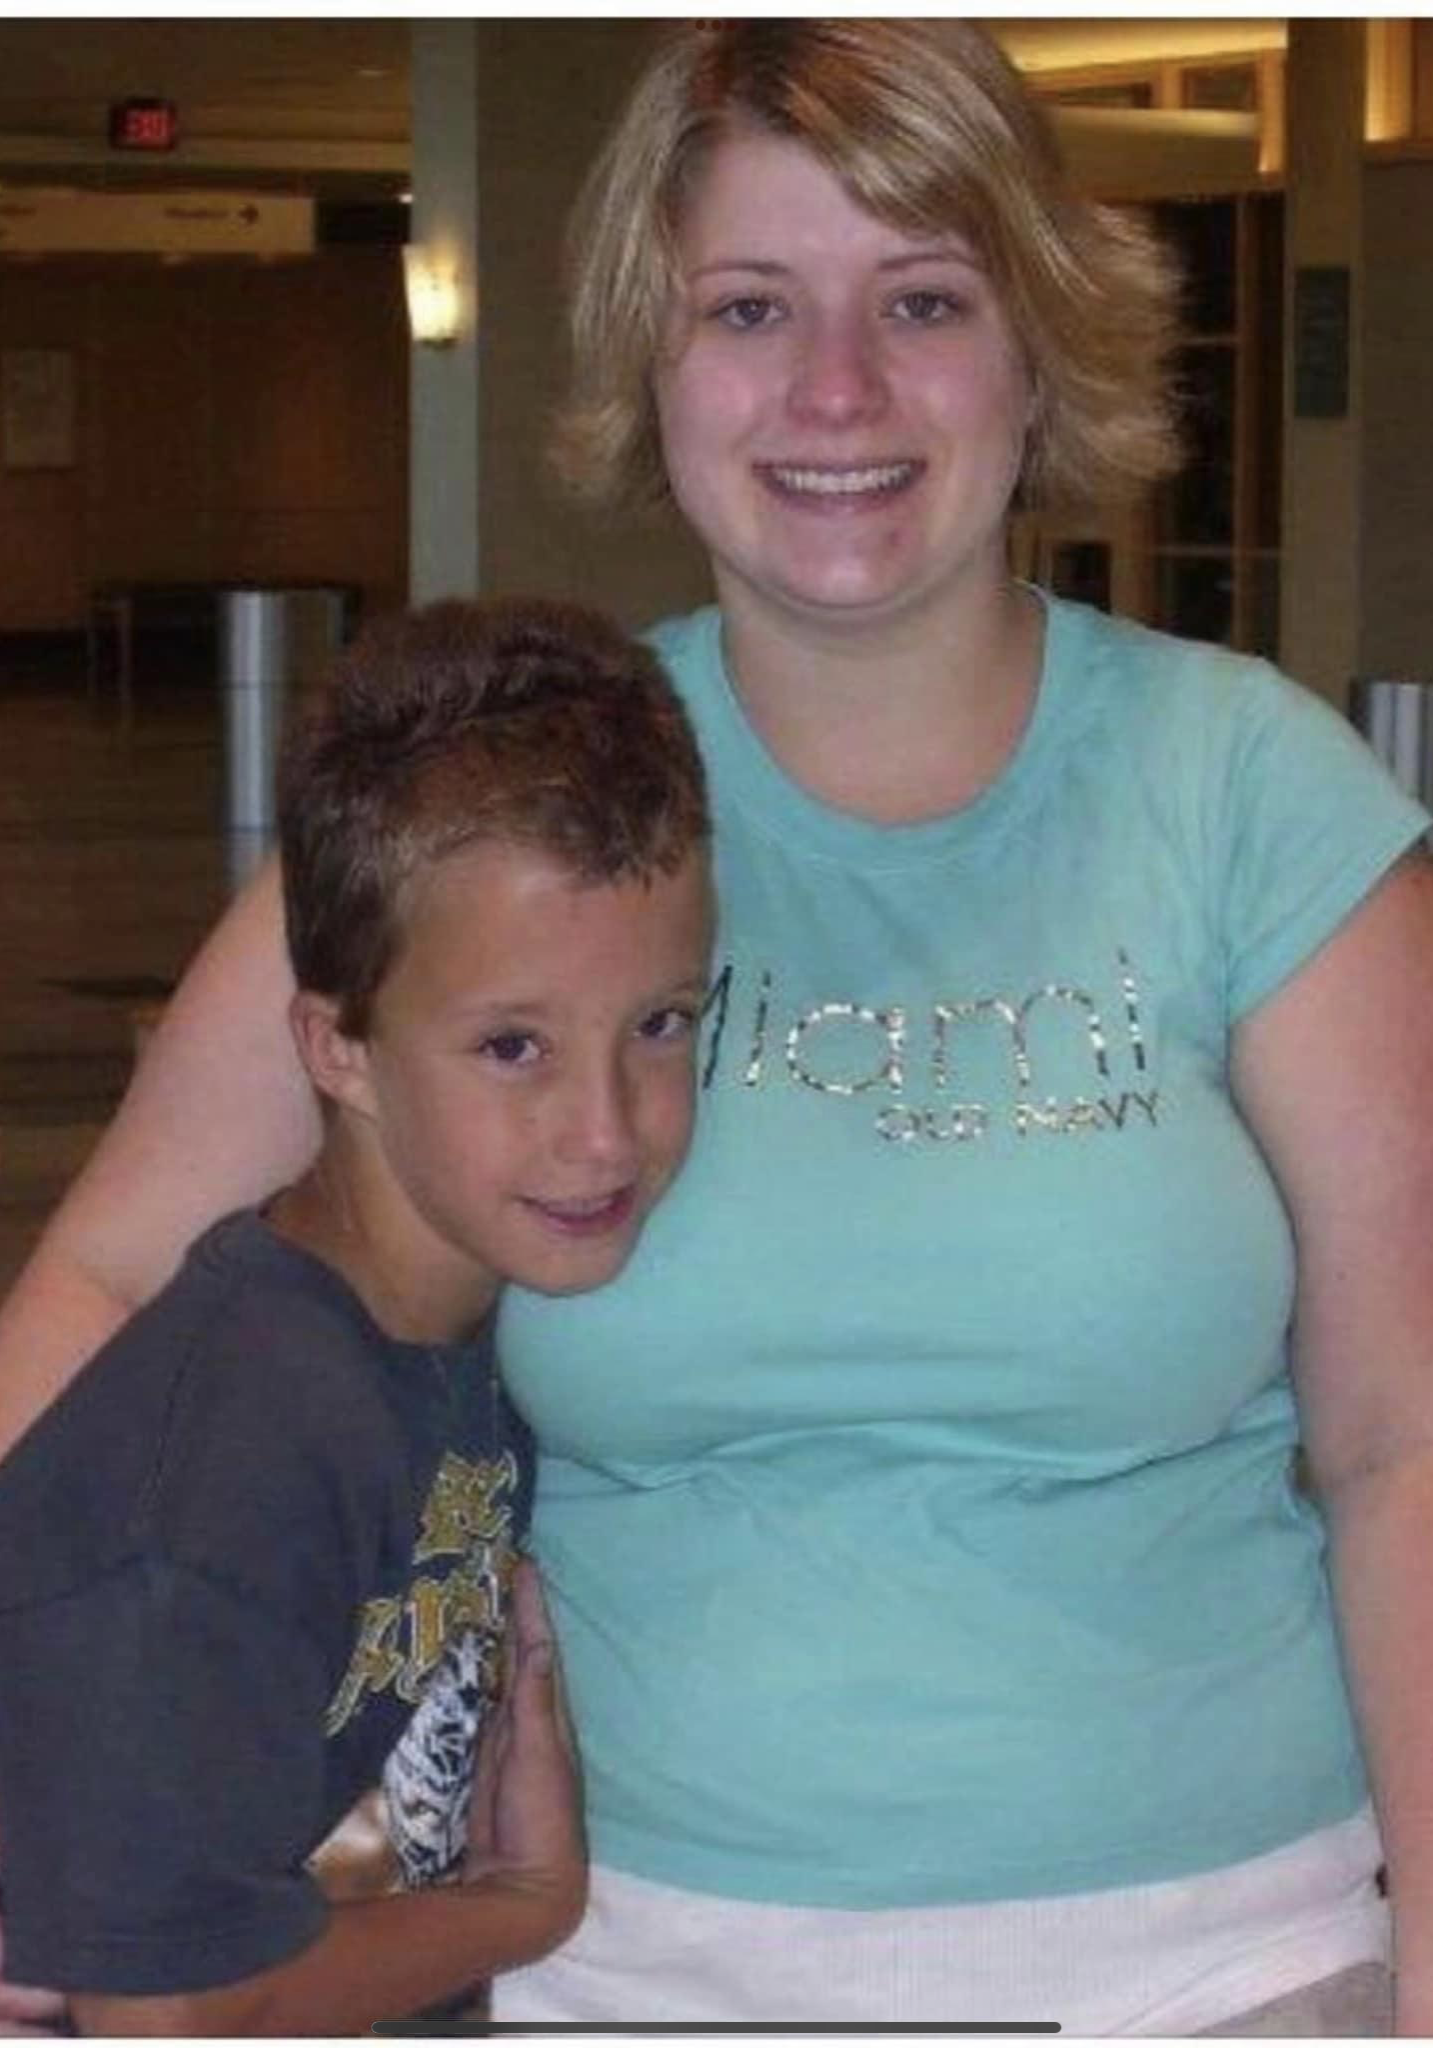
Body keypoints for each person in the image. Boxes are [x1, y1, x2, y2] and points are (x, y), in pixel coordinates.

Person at [2, 17, 1432, 2037]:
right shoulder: (496, 810)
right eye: (749, 308)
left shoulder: (1249, 798)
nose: (832, 390)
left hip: (1212, 1956)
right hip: (626, 1956)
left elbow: (1402, 1444)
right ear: (649, 362)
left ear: (1035, 343)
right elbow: (111, 1271)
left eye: (920, 301)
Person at [0, 597, 713, 2035]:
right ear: (337, 1046)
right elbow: (170, 2019)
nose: (605, 1135)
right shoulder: (236, 1462)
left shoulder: (418, 1343)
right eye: (512, 1046)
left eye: (661, 1024)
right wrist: (521, 1910)